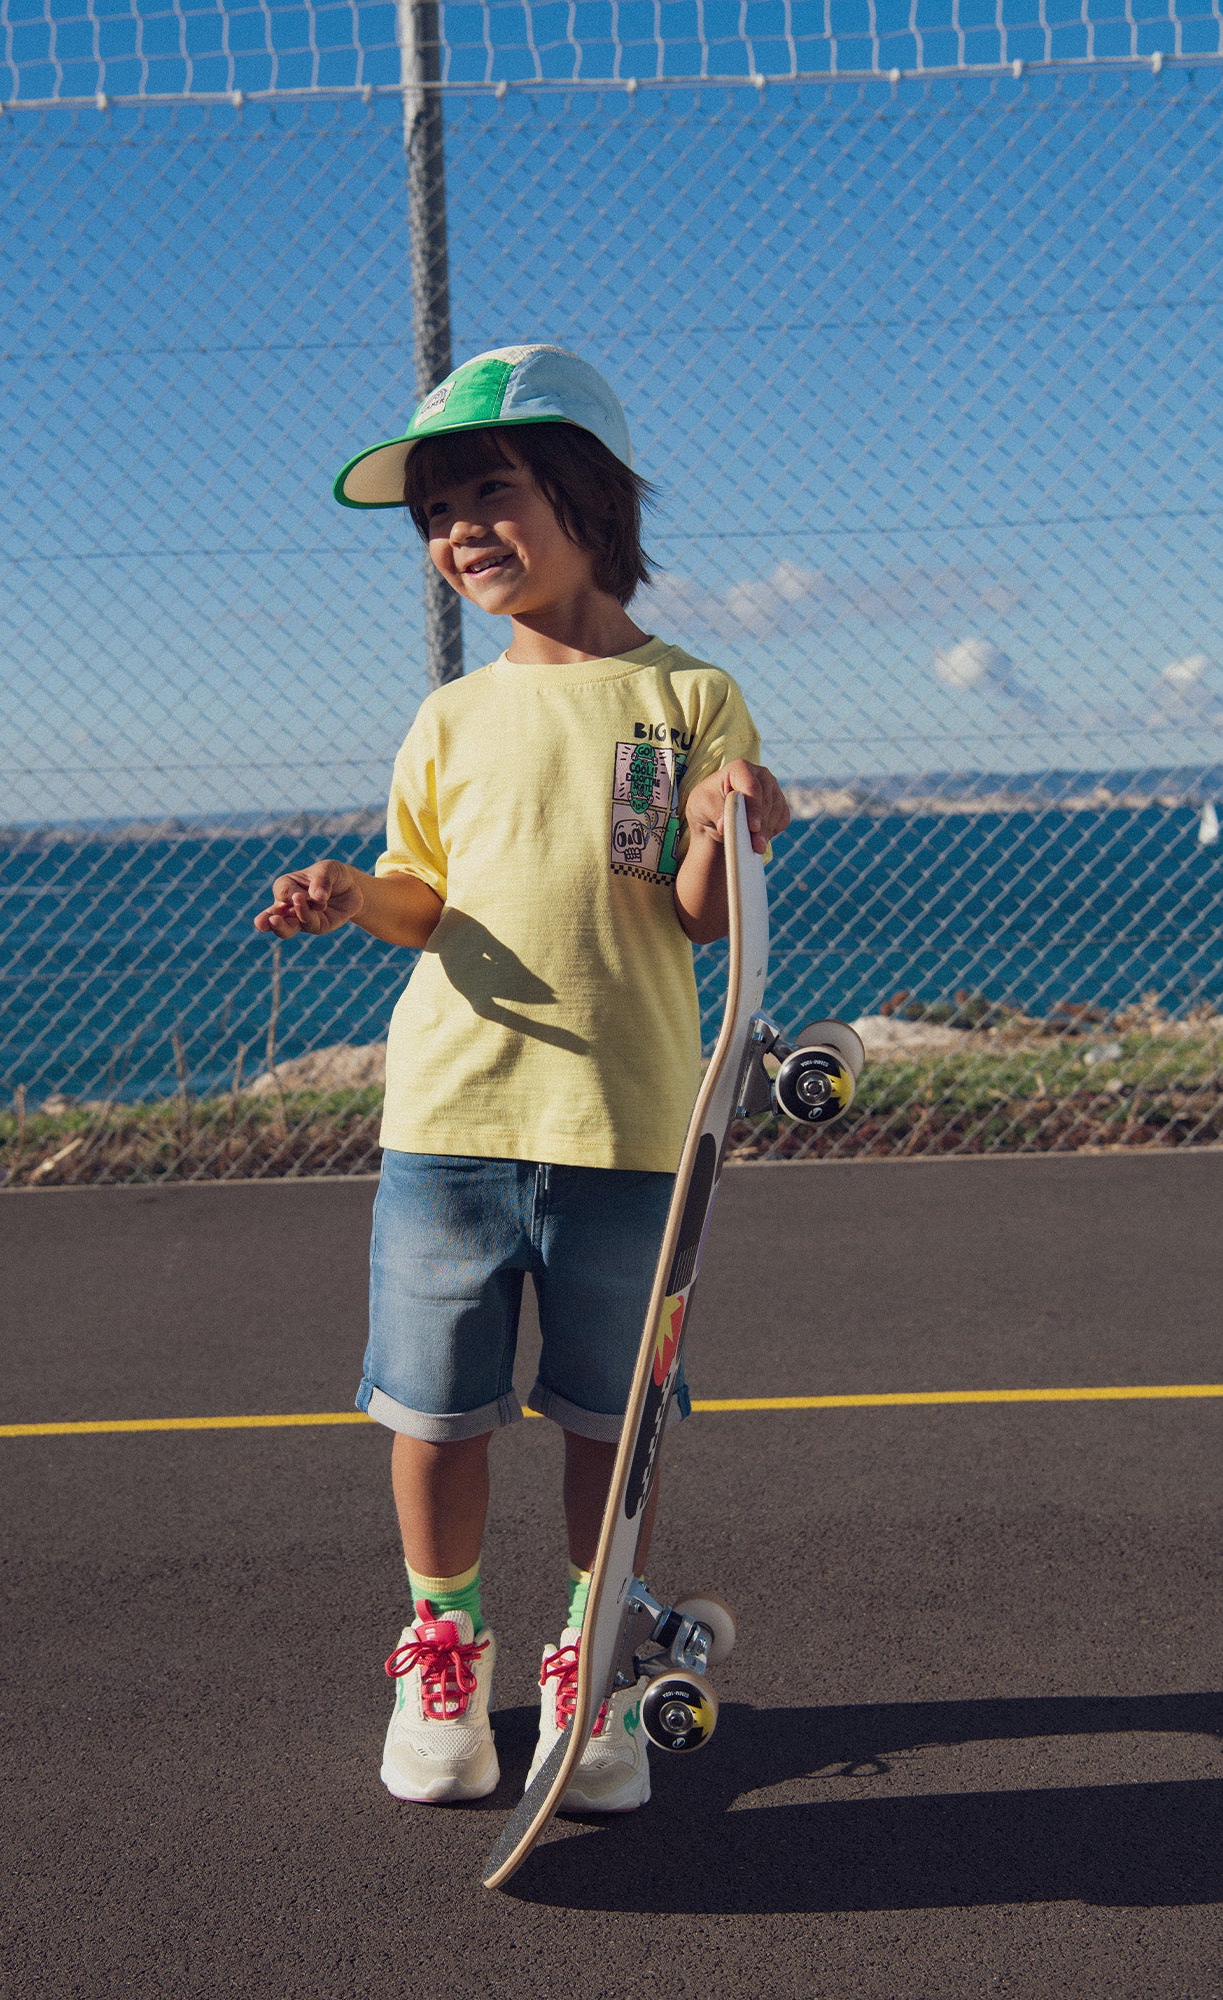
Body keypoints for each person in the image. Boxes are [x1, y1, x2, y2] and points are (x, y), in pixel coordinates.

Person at [255, 346, 790, 1812]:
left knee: (611, 1423)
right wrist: (358, 897)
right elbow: (427, 894)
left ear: (589, 499)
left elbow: (691, 911)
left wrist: (729, 821)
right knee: (431, 1409)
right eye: (435, 512)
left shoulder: (691, 695)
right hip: (451, 1114)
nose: (460, 530)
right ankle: (447, 1645)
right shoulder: (449, 718)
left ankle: (590, 1643)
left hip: (629, 1122)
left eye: (489, 490)